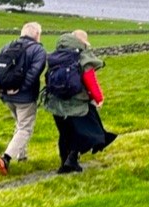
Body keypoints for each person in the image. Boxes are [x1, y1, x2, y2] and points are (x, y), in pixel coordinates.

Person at [42, 30, 117, 174]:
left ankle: (65, 163)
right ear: (83, 42)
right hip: (76, 103)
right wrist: (99, 98)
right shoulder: (82, 56)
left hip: (56, 102)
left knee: (64, 133)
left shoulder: (57, 54)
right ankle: (72, 158)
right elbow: (90, 79)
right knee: (86, 132)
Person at [0, 22, 47, 175]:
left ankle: (22, 157)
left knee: (19, 123)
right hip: (24, 97)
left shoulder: (8, 46)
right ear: (37, 34)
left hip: (5, 95)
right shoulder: (38, 50)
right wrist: (20, 89)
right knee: (25, 128)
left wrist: (0, 90)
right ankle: (6, 158)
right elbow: (34, 74)